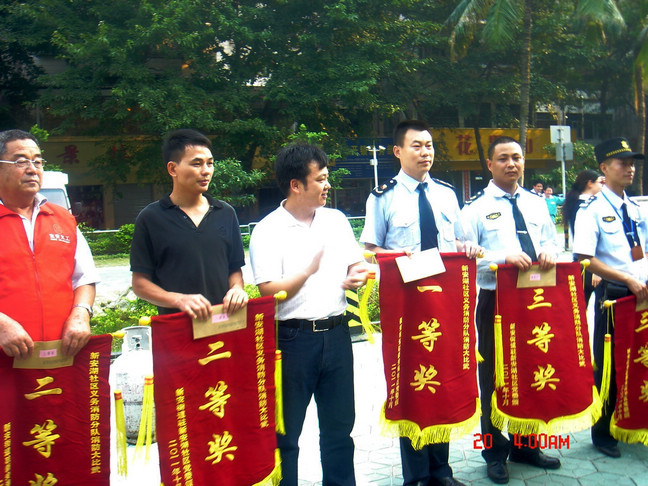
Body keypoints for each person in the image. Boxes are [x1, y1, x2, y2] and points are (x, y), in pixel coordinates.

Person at [361, 119, 477, 486]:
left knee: (442, 381)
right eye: (417, 146)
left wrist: (467, 248)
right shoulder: (383, 197)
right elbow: (371, 249)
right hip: (406, 309)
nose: (425, 152)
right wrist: (398, 256)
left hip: (445, 305)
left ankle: (441, 471)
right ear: (398, 151)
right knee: (412, 386)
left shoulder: (446, 194)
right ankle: (416, 477)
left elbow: (459, 241)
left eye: (429, 145)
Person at [249, 143, 368, 486]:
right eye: (321, 179)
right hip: (291, 341)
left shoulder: (336, 220)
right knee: (286, 434)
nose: (327, 185)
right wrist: (307, 272)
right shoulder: (268, 230)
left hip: (337, 334)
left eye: (327, 178)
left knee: (339, 429)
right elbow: (268, 292)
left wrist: (357, 275)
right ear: (295, 185)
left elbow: (357, 263)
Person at [461, 136, 561, 484]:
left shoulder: (536, 204)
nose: (511, 164)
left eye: (516, 157)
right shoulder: (474, 208)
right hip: (497, 303)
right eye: (503, 158)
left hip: (535, 298)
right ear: (489, 164)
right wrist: (502, 258)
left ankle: (526, 446)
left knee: (531, 371)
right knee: (493, 377)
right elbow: (467, 257)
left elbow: (552, 240)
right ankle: (493, 451)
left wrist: (549, 251)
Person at [572, 137, 647, 459]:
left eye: (632, 164)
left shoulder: (636, 209)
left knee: (640, 360)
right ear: (604, 168)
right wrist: (627, 278)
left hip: (643, 294)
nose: (630, 169)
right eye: (622, 163)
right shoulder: (592, 210)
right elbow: (584, 258)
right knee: (610, 366)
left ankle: (634, 420)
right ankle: (602, 432)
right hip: (615, 298)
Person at [0, 129, 98, 359]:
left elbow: (84, 277)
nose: (32, 169)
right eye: (21, 161)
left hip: (60, 355)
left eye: (37, 161)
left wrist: (81, 313)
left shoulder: (63, 219)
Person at [130, 129, 248, 318]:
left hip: (221, 322)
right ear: (172, 169)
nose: (206, 171)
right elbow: (140, 284)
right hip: (177, 327)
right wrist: (178, 299)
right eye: (197, 164)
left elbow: (234, 269)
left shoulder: (225, 213)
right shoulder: (151, 218)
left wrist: (237, 289)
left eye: (210, 163)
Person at [562, 169, 605, 303]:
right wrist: (596, 271)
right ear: (589, 183)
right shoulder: (586, 207)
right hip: (591, 264)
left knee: (580, 307)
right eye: (600, 182)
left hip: (581, 264)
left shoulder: (576, 203)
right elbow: (588, 240)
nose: (602, 186)